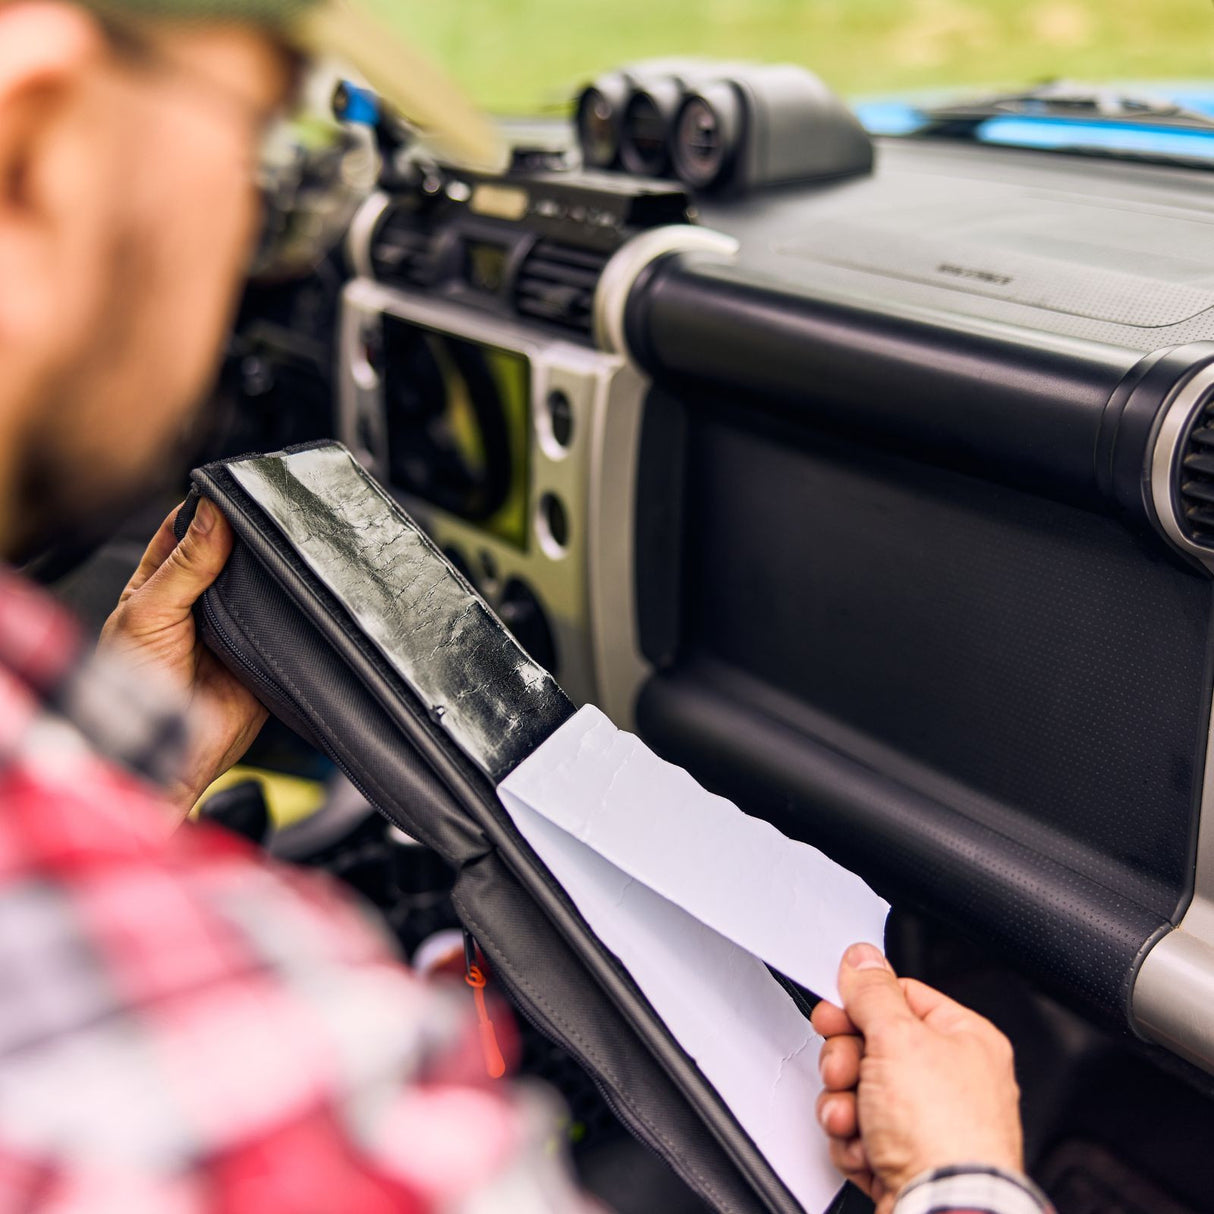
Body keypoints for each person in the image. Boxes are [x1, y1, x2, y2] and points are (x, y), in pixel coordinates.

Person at [0, 1, 1047, 1210]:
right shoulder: (263, 1060)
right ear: (32, 152)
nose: (256, 223)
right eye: (255, 135)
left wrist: (117, 785)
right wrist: (963, 1176)